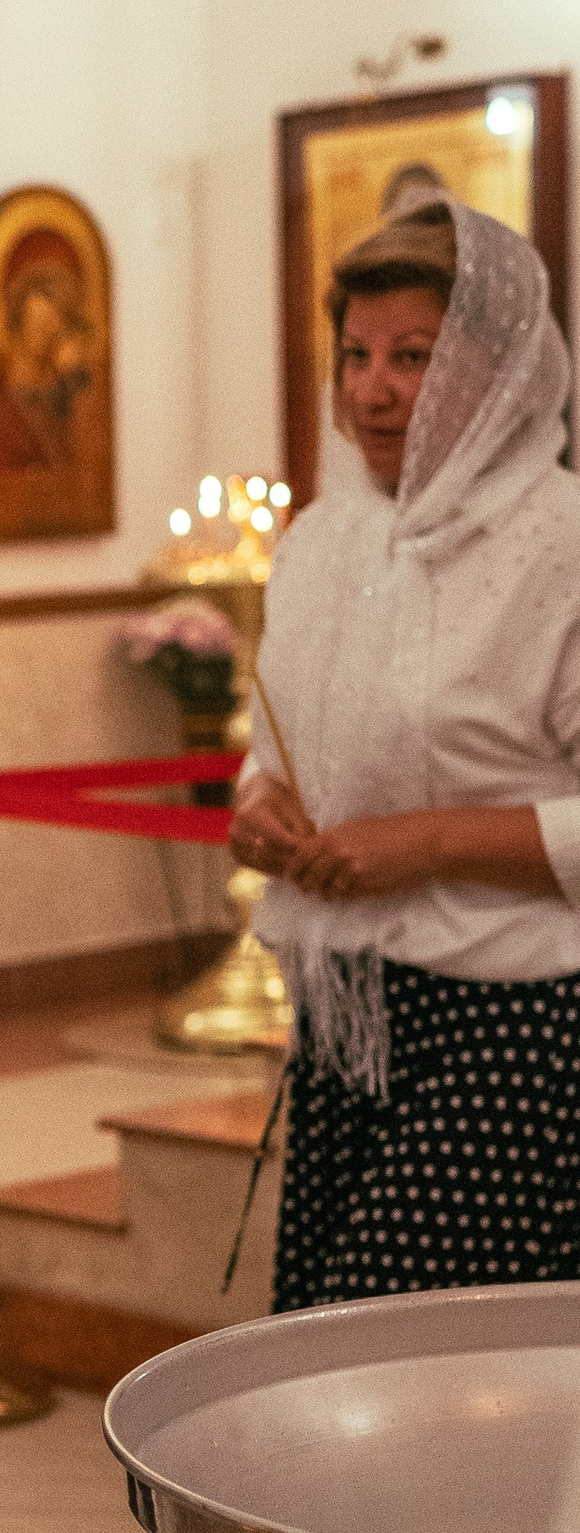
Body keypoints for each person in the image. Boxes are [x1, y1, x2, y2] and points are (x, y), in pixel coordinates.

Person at [230, 198, 580, 1303]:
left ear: (504, 371)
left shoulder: (559, 544)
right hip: (348, 1006)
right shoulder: (325, 541)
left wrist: (427, 844)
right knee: (321, 1359)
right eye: (355, 357)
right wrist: (261, 806)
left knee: (394, 1351)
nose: (373, 390)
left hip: (514, 1019)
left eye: (414, 357)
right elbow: (295, 735)